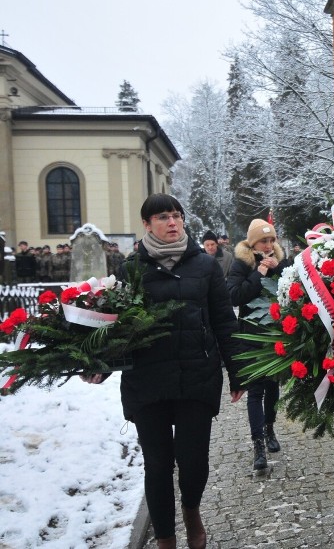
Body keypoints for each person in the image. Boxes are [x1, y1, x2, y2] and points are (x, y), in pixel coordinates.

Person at [81, 194, 246, 549]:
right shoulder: (130, 270)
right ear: (146, 225)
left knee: (193, 462)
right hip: (147, 379)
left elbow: (223, 321)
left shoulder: (205, 266)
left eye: (176, 215)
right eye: (162, 217)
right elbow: (118, 327)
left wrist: (238, 371)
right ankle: (166, 540)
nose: (172, 222)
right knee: (157, 464)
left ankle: (191, 510)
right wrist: (99, 366)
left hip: (196, 375)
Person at [226, 219, 285, 471]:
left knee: (272, 387)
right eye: (264, 240)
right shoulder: (241, 264)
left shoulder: (281, 262)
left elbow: (293, 291)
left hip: (275, 333)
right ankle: (258, 443)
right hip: (251, 335)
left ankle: (270, 429)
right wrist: (259, 272)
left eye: (272, 240)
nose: (269, 245)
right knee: (255, 390)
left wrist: (278, 271)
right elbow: (235, 296)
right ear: (252, 243)